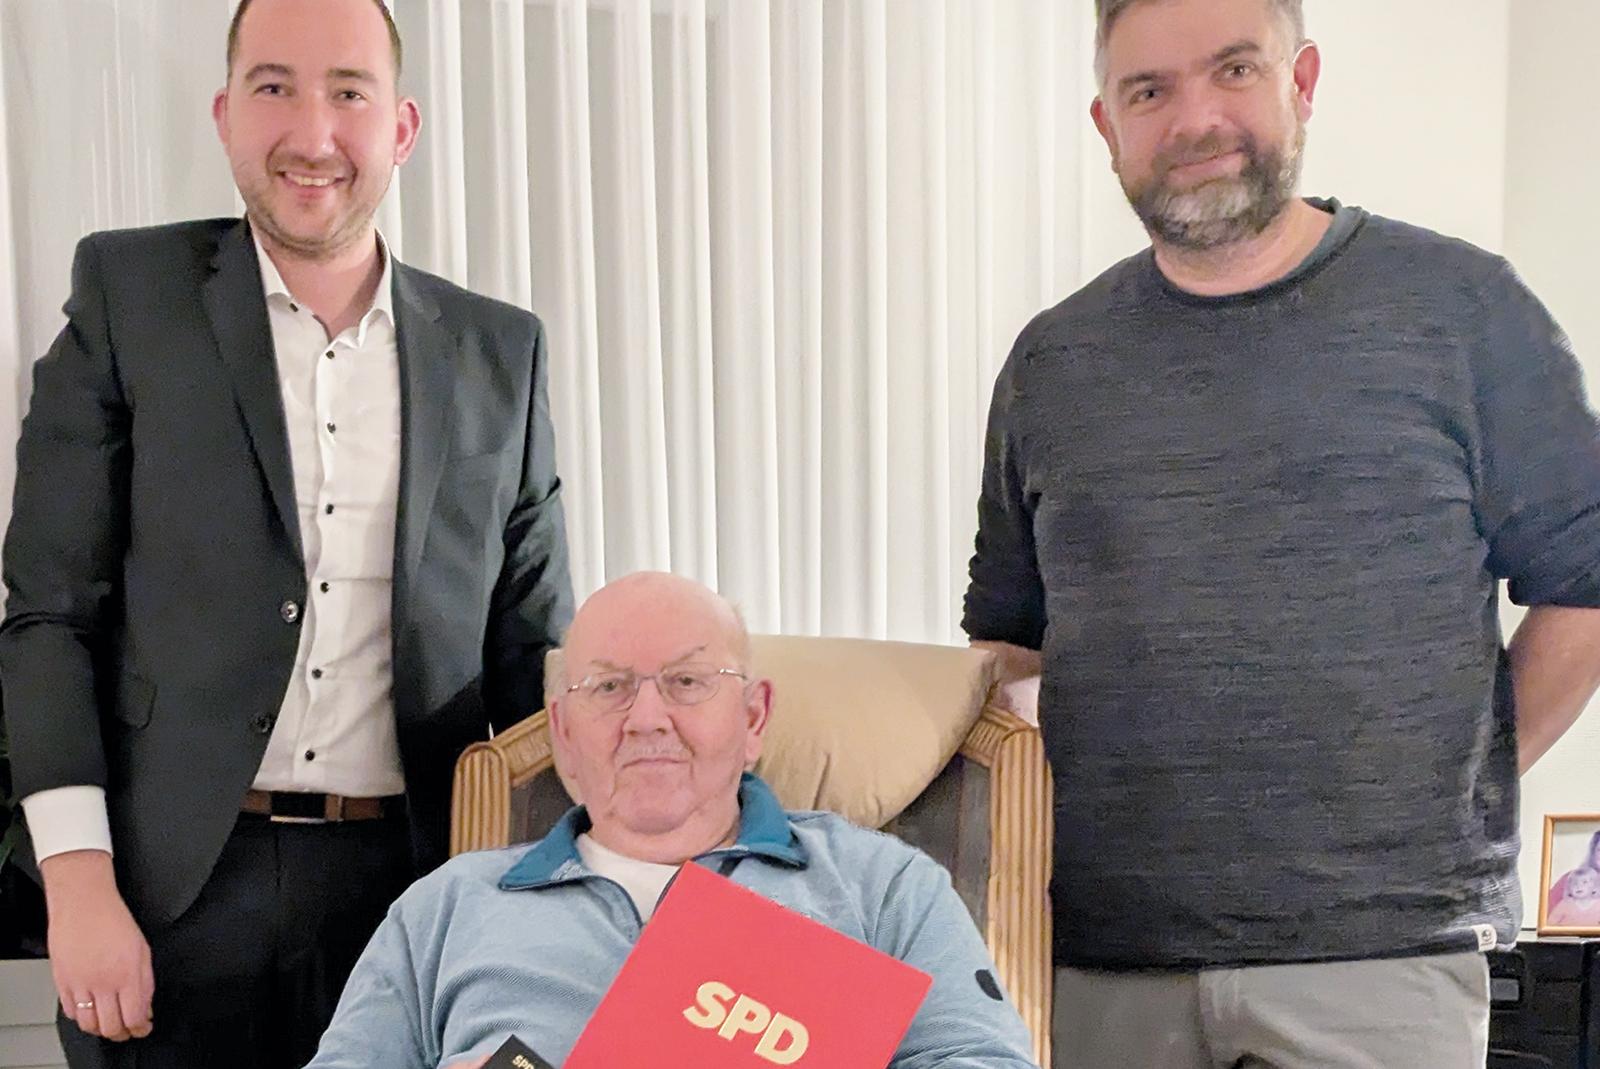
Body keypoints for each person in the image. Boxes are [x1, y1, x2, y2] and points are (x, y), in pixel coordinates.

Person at [962, 0, 1600, 1065]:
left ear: (1300, 83)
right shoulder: (1052, 363)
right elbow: (1008, 640)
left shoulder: (1464, 310)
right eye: (1149, 91)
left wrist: (1464, 781)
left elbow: (1583, 585)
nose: (1195, 119)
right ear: (1106, 125)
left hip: (1383, 958)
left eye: (1234, 70)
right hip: (1098, 961)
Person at [0, 1, 572, 1065]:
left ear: (401, 127)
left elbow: (532, 659)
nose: (312, 134)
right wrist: (76, 884)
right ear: (225, 114)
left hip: (412, 896)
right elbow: (49, 614)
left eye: (348, 92)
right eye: (274, 87)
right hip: (163, 895)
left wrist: (552, 907)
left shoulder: (503, 351)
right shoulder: (129, 298)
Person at [305, 572, 1039, 1069]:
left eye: (687, 682)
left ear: (754, 717)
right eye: (609, 687)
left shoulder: (882, 885)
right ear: (562, 731)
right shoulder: (447, 907)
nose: (647, 718)